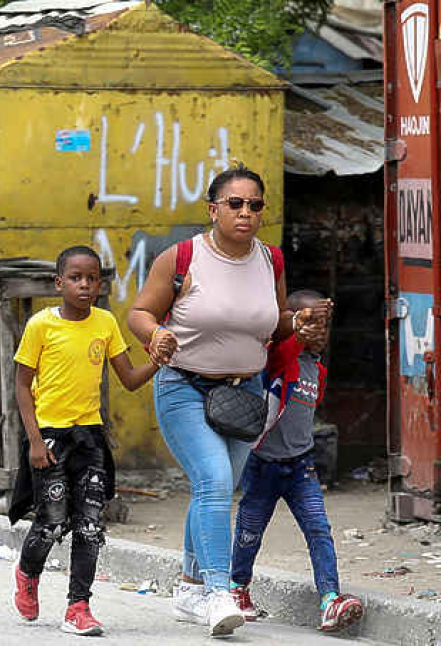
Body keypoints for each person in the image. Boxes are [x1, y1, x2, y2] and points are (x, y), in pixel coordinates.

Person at [127, 165, 330, 637]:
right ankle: (220, 591)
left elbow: (272, 323)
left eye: (254, 205)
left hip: (245, 393)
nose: (245, 213)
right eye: (234, 204)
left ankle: (189, 585)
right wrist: (156, 334)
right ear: (213, 209)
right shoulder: (182, 258)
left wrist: (297, 325)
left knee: (212, 489)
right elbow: (139, 312)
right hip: (183, 387)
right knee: (215, 481)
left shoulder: (270, 260)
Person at [9, 245, 159, 636]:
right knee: (51, 522)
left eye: (92, 278)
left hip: (90, 440)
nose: (84, 285)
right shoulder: (42, 325)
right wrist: (35, 442)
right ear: (59, 283)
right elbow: (22, 386)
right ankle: (28, 572)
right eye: (75, 278)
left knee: (90, 525)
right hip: (51, 439)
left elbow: (127, 379)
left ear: (100, 284)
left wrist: (159, 360)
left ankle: (78, 606)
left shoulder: (106, 323)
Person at [231, 289, 363, 632]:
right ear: (290, 324)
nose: (318, 331)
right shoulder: (279, 356)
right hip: (263, 464)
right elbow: (285, 345)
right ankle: (237, 590)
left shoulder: (316, 369)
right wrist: (296, 329)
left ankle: (330, 600)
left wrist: (312, 325)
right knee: (249, 532)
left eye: (324, 325)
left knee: (319, 529)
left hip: (301, 465)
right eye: (309, 323)